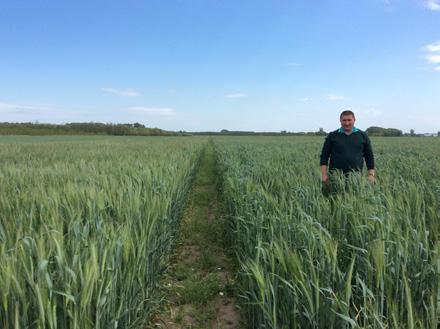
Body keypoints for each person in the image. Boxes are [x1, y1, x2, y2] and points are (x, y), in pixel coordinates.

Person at [320, 110, 375, 192]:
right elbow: (324, 156)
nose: (347, 123)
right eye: (344, 120)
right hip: (335, 177)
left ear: (354, 120)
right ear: (340, 120)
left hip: (356, 177)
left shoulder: (362, 135)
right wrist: (324, 175)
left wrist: (371, 175)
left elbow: (369, 156)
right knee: (335, 199)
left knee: (355, 200)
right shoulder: (332, 136)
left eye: (349, 120)